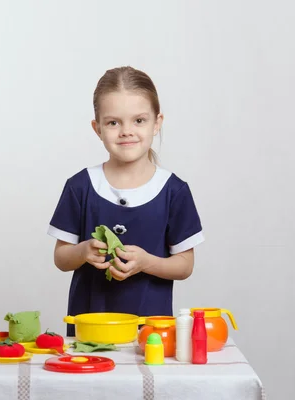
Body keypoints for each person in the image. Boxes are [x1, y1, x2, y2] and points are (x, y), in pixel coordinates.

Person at [47, 66, 205, 337]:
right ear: (97, 128)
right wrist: (83, 251)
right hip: (89, 332)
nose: (126, 131)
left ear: (157, 122)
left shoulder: (174, 191)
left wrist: (146, 262)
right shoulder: (80, 187)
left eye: (139, 121)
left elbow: (184, 265)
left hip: (151, 334)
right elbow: (61, 258)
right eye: (113, 122)